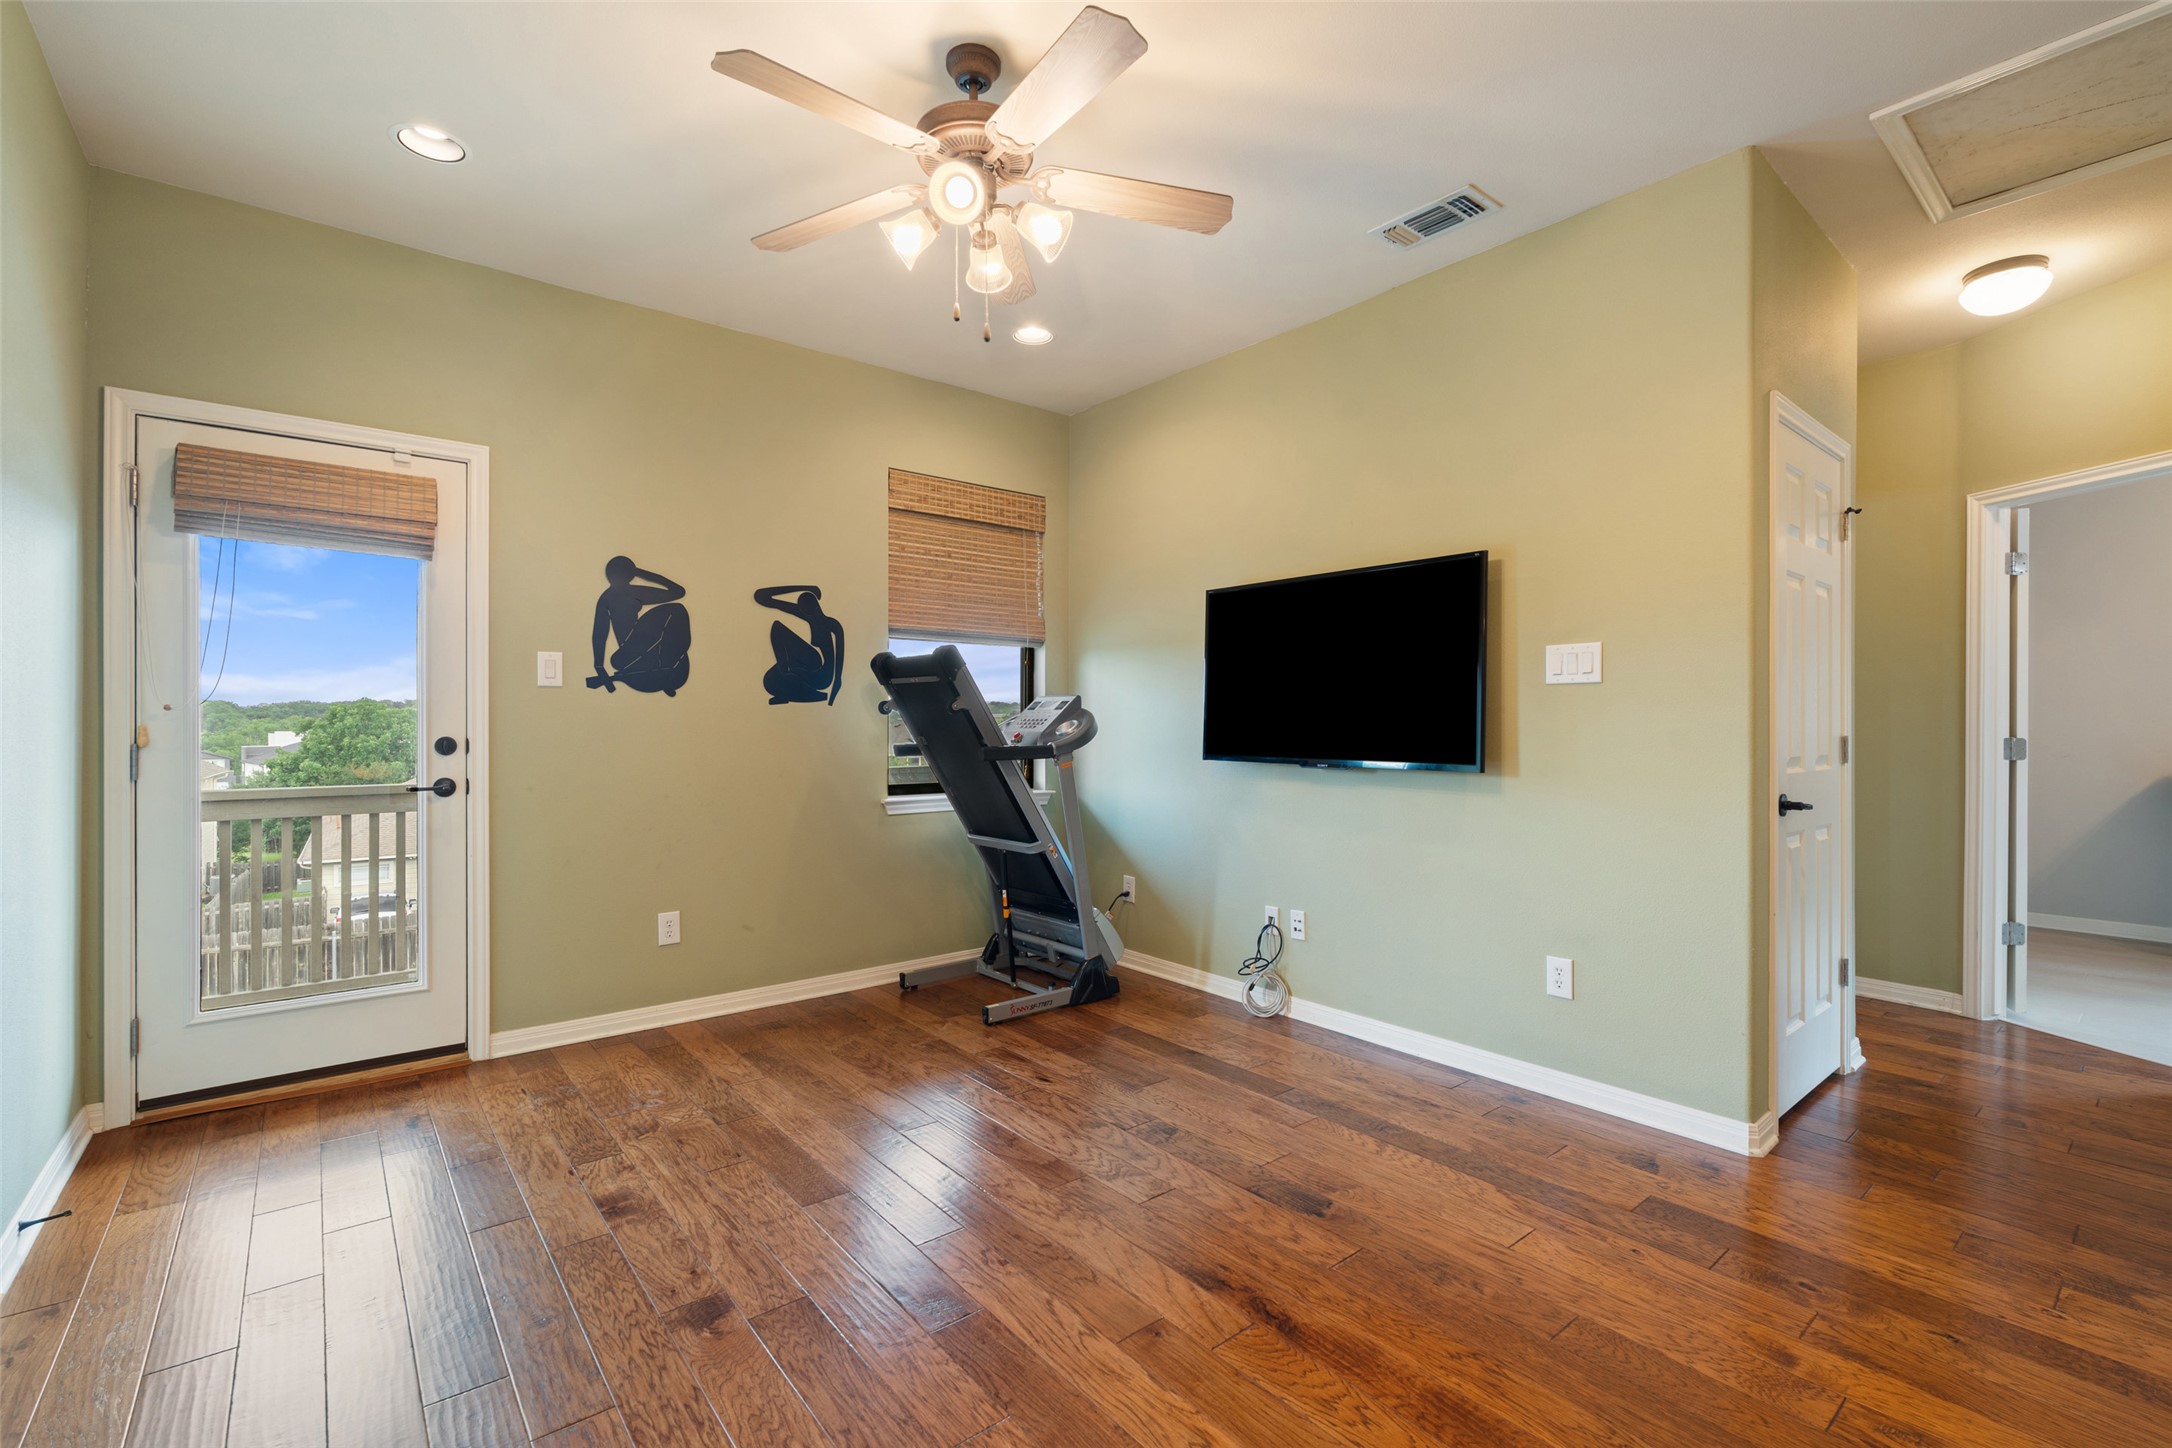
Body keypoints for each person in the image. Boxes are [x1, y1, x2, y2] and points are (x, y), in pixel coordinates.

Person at [587, 556, 691, 695]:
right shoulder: (607, 599)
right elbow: (599, 635)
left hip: (646, 642)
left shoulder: (634, 592)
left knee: (676, 611)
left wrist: (640, 572)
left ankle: (666, 667)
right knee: (676, 609)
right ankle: (661, 667)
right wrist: (599, 667)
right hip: (629, 649)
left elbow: (678, 592)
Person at [754, 585, 843, 705]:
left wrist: (834, 691)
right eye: (804, 610)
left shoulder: (833, 625)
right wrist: (806, 588)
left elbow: (839, 660)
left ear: (816, 606)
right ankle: (784, 674)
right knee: (770, 679)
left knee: (777, 628)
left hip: (822, 675)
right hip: (811, 665)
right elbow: (762, 597)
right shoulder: (808, 615)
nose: (805, 612)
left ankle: (785, 672)